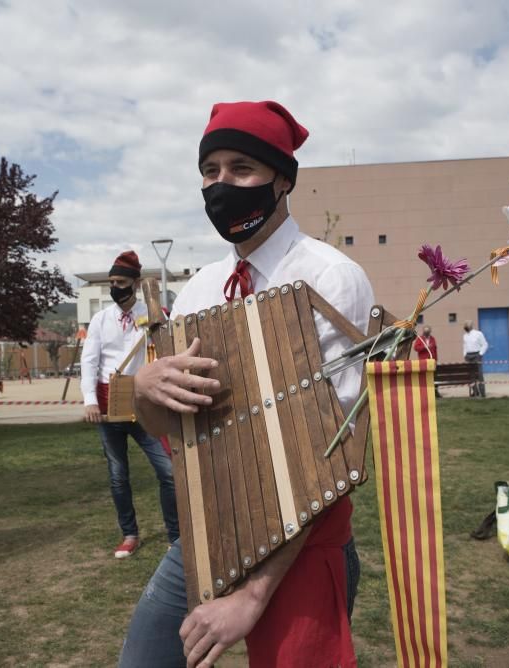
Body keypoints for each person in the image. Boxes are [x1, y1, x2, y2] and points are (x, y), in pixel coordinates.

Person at [119, 100, 373, 668]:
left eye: (241, 169)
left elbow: (334, 449)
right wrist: (144, 389)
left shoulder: (330, 276)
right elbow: (175, 429)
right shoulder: (202, 288)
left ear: (282, 180)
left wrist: (252, 594)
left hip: (298, 546)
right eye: (210, 171)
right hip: (206, 534)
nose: (221, 184)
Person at [80, 250, 180, 558]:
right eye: (111, 282)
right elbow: (90, 360)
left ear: (135, 284)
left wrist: (157, 321)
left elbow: (166, 346)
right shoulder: (100, 319)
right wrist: (90, 401)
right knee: (118, 474)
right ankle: (129, 533)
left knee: (167, 472)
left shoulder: (152, 313)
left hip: (142, 404)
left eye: (120, 281)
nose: (115, 287)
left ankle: (175, 536)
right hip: (109, 404)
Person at [462, 320, 488, 398]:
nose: (465, 327)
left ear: (470, 326)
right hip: (468, 356)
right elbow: (465, 346)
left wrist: (480, 354)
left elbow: (485, 344)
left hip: (477, 354)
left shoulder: (478, 334)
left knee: (479, 374)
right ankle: (475, 392)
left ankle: (482, 393)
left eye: (466, 325)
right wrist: (465, 354)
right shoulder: (465, 335)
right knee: (471, 375)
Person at [414, 325, 442, 397]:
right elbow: (416, 348)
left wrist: (435, 360)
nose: (426, 333)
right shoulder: (420, 338)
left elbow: (435, 350)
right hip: (423, 361)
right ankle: (424, 393)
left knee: (434, 376)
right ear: (423, 332)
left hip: (431, 361)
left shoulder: (432, 339)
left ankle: (435, 392)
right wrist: (425, 347)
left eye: (428, 332)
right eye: (425, 332)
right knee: (424, 377)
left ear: (429, 332)